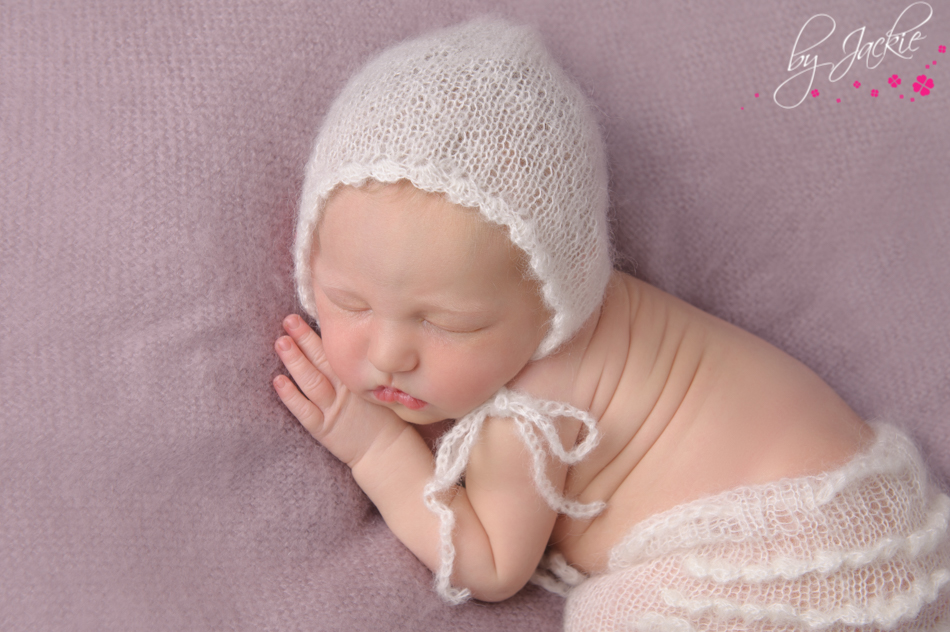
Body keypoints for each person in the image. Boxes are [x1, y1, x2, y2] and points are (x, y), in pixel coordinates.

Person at [273, 18, 950, 630]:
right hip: (863, 515)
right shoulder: (594, 315)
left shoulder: (532, 402)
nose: (389, 353)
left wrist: (376, 451)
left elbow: (488, 565)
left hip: (785, 555)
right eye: (349, 303)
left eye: (450, 323)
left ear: (552, 300)